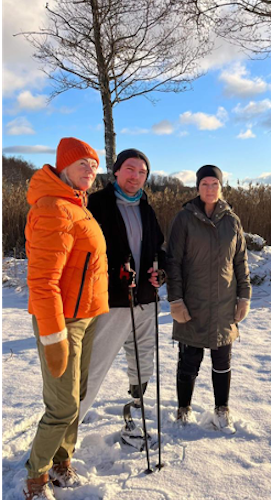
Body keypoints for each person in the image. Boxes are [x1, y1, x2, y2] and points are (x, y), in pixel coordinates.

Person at [24, 138, 108, 499]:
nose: (90, 170)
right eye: (82, 165)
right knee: (62, 405)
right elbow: (43, 282)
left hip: (85, 317)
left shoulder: (77, 204)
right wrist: (53, 335)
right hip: (63, 322)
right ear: (63, 167)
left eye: (93, 164)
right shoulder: (54, 208)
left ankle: (62, 461)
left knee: (78, 395)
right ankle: (36, 477)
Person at [78, 149, 167, 444]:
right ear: (116, 171)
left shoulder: (145, 206)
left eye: (142, 172)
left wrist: (160, 272)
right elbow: (84, 251)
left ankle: (134, 417)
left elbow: (158, 250)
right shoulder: (96, 204)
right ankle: (65, 437)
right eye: (130, 169)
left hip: (145, 299)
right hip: (111, 301)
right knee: (95, 366)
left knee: (142, 361)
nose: (136, 176)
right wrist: (114, 270)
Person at [166, 165, 252, 434]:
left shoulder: (232, 221)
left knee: (222, 360)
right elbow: (173, 262)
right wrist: (175, 300)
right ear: (197, 187)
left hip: (225, 304)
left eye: (215, 183)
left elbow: (241, 262)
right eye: (205, 184)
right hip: (193, 303)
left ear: (221, 187)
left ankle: (221, 410)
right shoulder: (184, 219)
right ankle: (183, 410)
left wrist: (244, 296)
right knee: (189, 359)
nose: (210, 189)